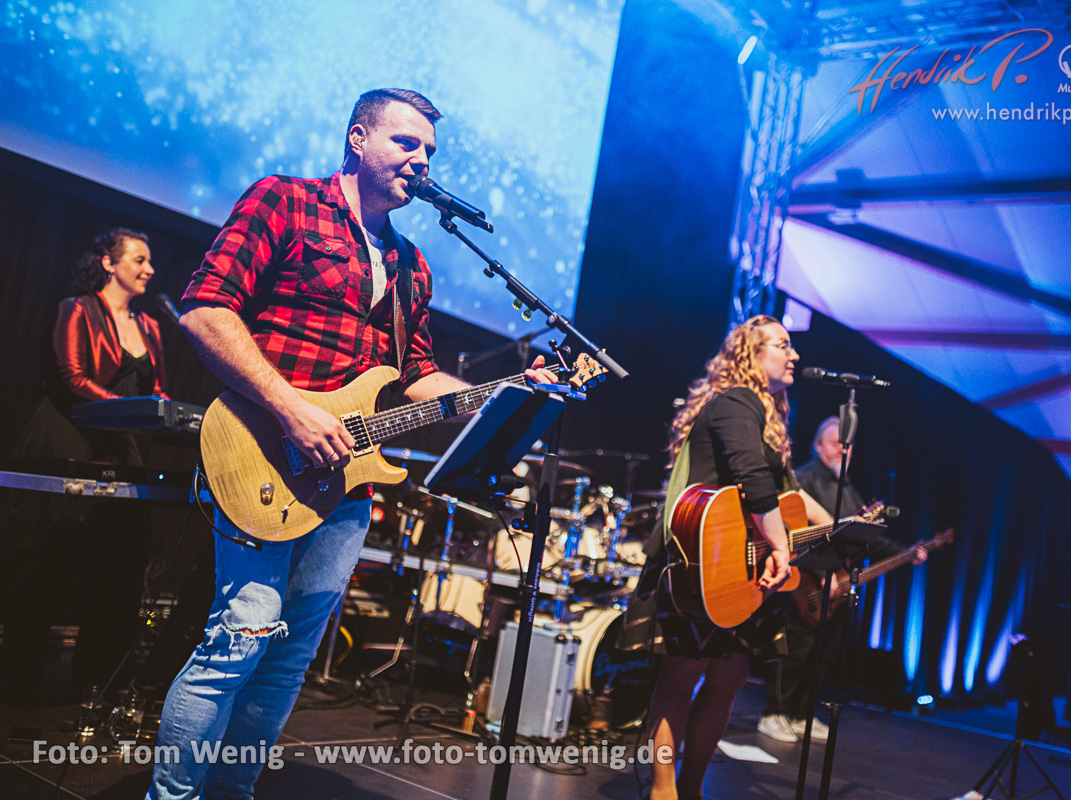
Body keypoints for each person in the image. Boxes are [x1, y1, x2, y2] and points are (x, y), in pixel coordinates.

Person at [145, 88, 553, 799]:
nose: (421, 160)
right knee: (240, 637)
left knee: (289, 657)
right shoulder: (285, 202)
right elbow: (206, 313)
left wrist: (506, 393)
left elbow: (415, 375)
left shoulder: (412, 265)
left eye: (430, 151)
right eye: (406, 143)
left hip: (346, 484)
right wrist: (293, 410)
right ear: (358, 139)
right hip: (260, 448)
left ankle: (234, 792)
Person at [620, 315, 797, 800]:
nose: (794, 355)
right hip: (703, 563)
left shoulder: (765, 415)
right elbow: (750, 475)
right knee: (681, 676)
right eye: (783, 345)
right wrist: (781, 546)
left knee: (729, 678)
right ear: (751, 354)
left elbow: (785, 494)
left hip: (735, 570)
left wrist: (842, 525)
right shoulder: (736, 401)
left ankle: (693, 788)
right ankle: (663, 791)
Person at [1, 228, 166, 697]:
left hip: (122, 447)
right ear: (109, 263)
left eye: (150, 261)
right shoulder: (76, 309)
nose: (149, 269)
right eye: (138, 259)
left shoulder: (151, 326)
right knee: (47, 561)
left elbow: (158, 392)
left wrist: (167, 415)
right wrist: (128, 410)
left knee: (120, 563)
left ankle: (95, 685)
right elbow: (71, 377)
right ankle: (20, 684)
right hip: (68, 439)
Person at [757, 416, 925, 743]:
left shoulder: (847, 488)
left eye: (848, 445)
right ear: (818, 446)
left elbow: (863, 536)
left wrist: (906, 552)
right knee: (795, 652)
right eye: (836, 443)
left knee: (825, 655)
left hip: (837, 587)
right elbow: (800, 534)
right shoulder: (805, 479)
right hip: (804, 583)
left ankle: (802, 715)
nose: (843, 450)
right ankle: (774, 713)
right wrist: (824, 574)